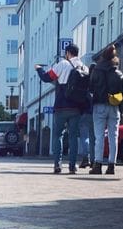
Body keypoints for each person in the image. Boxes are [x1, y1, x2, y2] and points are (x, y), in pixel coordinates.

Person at [35, 43, 88, 174]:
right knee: (73, 137)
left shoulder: (63, 64)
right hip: (76, 107)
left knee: (58, 135)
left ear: (68, 53)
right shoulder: (84, 67)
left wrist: (39, 69)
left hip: (61, 106)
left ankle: (57, 165)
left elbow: (47, 77)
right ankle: (72, 166)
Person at [89, 43, 123, 175]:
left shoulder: (96, 70)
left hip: (99, 105)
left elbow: (91, 88)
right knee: (113, 137)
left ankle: (97, 165)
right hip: (114, 106)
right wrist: (122, 109)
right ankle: (111, 166)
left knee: (99, 137)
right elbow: (122, 94)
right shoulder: (119, 74)